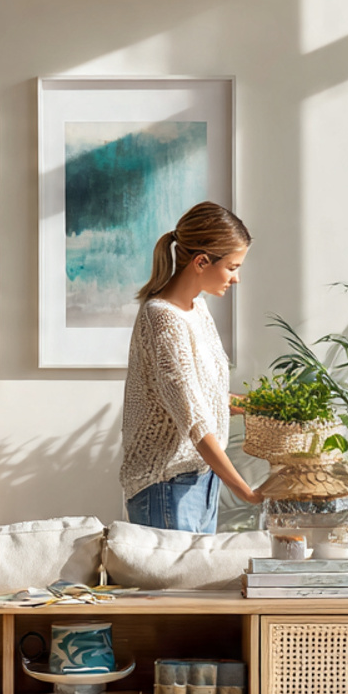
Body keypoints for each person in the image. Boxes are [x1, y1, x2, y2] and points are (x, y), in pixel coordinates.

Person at [120, 201, 262, 532]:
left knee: (198, 584)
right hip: (165, 485)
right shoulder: (162, 317)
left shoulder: (196, 310)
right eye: (232, 267)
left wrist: (267, 408)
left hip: (200, 479)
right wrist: (248, 493)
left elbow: (206, 397)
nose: (236, 278)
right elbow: (195, 421)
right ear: (201, 261)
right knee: (175, 586)